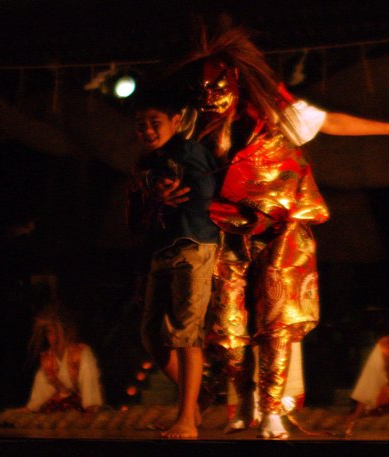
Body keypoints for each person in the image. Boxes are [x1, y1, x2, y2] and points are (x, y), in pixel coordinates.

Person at [161, 22, 389, 439]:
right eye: (200, 89)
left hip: (282, 224)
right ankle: (243, 402)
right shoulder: (193, 124)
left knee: (277, 319)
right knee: (227, 326)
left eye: (215, 87)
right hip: (227, 228)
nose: (209, 97)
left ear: (234, 80)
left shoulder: (272, 111)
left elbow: (329, 122)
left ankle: (271, 411)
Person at [127, 88, 219, 439]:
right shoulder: (144, 164)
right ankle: (197, 398)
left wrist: (168, 195)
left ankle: (186, 419)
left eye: (155, 123)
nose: (148, 131)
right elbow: (137, 220)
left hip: (192, 244)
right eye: (141, 125)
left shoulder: (188, 151)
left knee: (185, 333)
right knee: (151, 334)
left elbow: (203, 192)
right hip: (159, 252)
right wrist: (154, 199)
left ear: (176, 122)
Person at [22, 309, 104, 414]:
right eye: (49, 333)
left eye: (57, 333)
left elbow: (89, 381)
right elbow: (41, 389)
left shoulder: (81, 353)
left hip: (80, 407)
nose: (53, 338)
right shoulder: (48, 359)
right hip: (59, 407)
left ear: (66, 333)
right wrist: (30, 408)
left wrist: (90, 408)